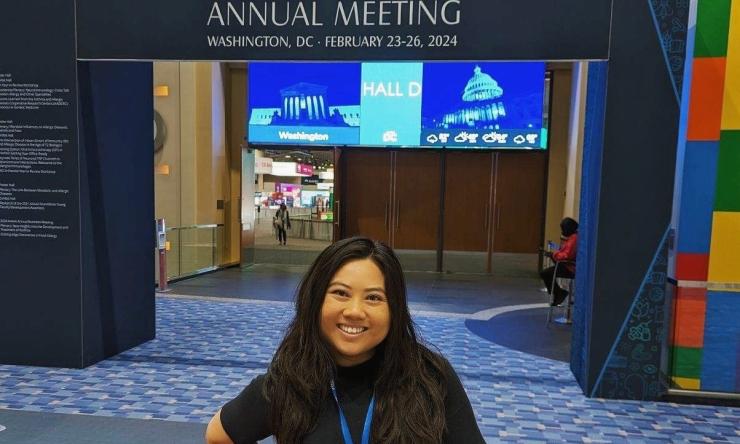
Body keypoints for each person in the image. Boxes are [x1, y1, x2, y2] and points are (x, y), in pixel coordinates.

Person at [205, 237, 485, 444]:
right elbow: (218, 435)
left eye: (374, 297)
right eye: (340, 293)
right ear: (316, 300)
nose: (354, 311)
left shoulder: (430, 377)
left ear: (394, 309)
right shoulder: (289, 381)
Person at [540, 217, 578, 306]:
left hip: (570, 268)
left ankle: (559, 293)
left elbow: (566, 255)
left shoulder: (574, 239)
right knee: (546, 273)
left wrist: (553, 255)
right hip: (568, 265)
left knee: (545, 273)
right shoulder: (573, 237)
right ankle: (558, 293)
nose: (562, 231)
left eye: (563, 229)